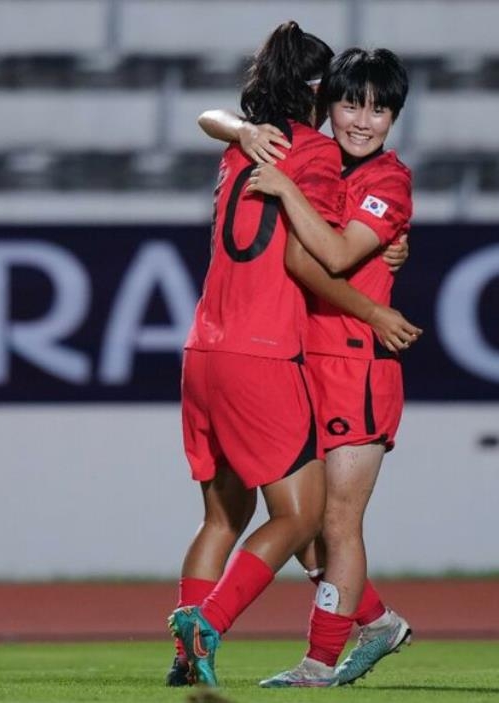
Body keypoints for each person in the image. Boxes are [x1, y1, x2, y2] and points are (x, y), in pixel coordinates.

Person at [167, 23, 420, 688]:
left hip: (355, 364)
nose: (361, 119)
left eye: (378, 109)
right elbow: (215, 118)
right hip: (300, 358)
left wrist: (265, 167)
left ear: (394, 117)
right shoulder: (316, 158)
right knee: (308, 527)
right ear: (325, 99)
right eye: (349, 103)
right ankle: (377, 622)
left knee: (330, 521)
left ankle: (310, 656)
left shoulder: (378, 176)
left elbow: (328, 256)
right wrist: (238, 130)